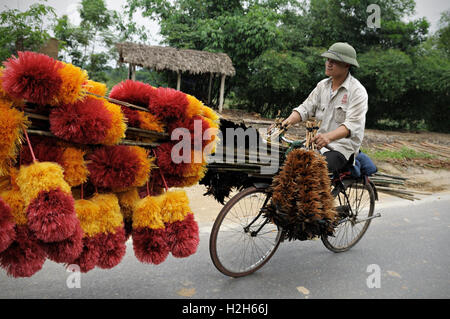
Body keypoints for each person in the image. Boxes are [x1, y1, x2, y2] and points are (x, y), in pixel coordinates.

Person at [282, 42, 368, 175]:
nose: (329, 64)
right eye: (328, 60)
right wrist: (284, 123)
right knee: (286, 163)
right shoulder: (322, 86)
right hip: (317, 146)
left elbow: (353, 124)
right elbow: (305, 108)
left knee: (311, 171)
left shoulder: (357, 91)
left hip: (342, 149)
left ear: (347, 65)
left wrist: (328, 137)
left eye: (334, 61)